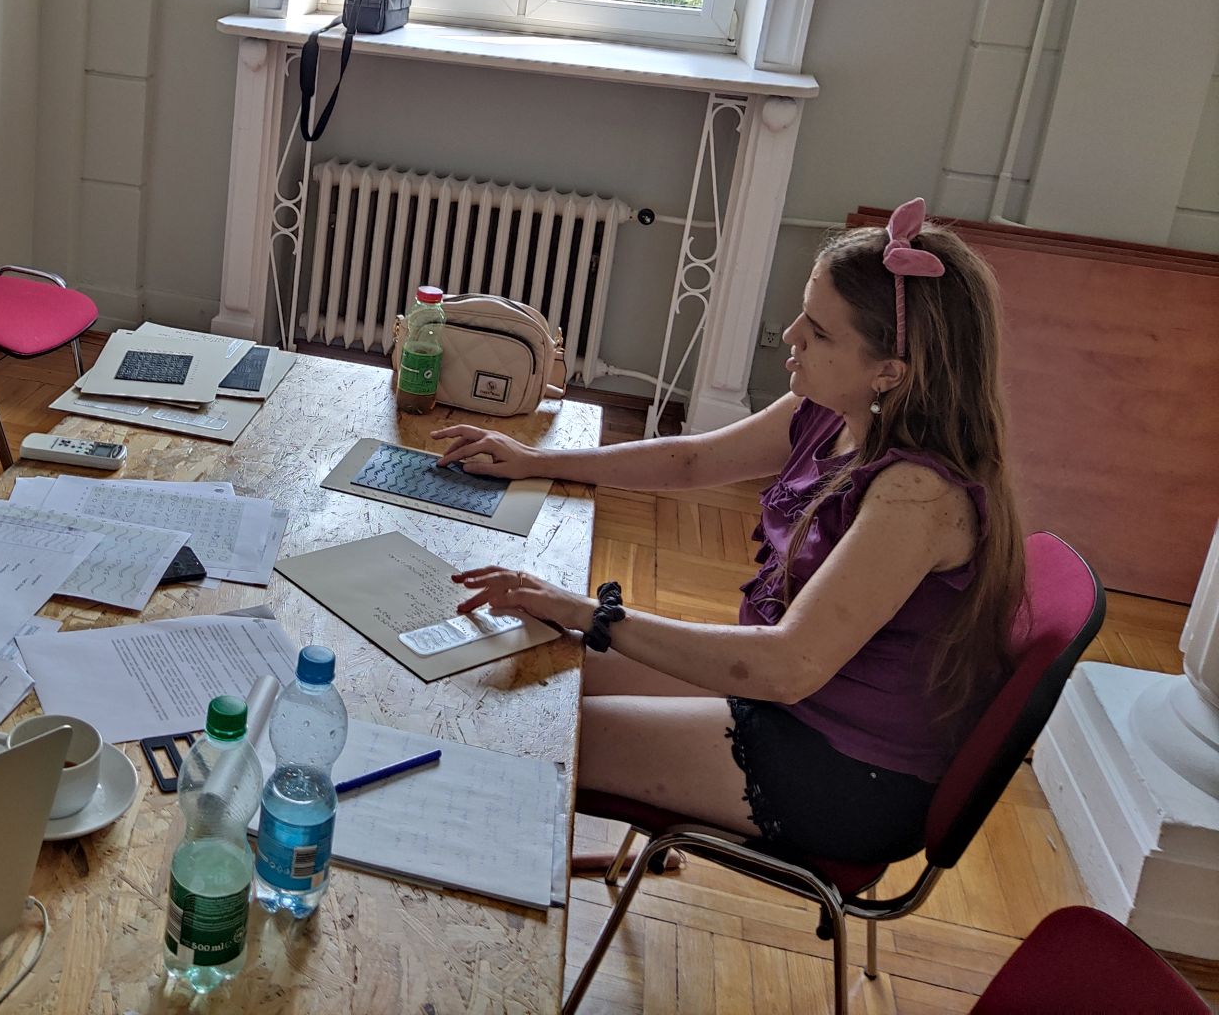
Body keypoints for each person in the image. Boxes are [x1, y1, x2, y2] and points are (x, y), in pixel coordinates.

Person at [438, 201, 1025, 867]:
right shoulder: (831, 410)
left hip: (842, 768)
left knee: (532, 730)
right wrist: (537, 461)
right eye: (803, 313)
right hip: (786, 695)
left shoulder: (917, 496)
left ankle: (486, 883)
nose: (791, 336)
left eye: (819, 332)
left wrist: (587, 613)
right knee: (520, 664)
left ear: (888, 372)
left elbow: (786, 666)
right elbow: (694, 460)